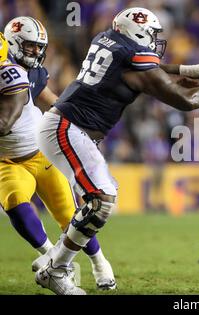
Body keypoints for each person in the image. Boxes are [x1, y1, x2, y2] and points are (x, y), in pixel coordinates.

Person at [34, 7, 199, 295]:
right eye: (152, 35)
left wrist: (191, 70)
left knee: (99, 201)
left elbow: (153, 74)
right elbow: (185, 100)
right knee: (100, 200)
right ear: (138, 33)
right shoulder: (133, 58)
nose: (154, 42)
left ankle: (55, 263)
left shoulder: (110, 41)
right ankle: (55, 269)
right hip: (67, 128)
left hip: (67, 127)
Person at [2, 17, 116, 290]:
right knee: (15, 202)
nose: (35, 52)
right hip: (7, 161)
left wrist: (78, 122)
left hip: (40, 153)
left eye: (37, 46)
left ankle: (99, 261)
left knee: (70, 213)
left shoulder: (25, 73)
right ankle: (52, 257)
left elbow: (50, 100)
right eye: (29, 46)